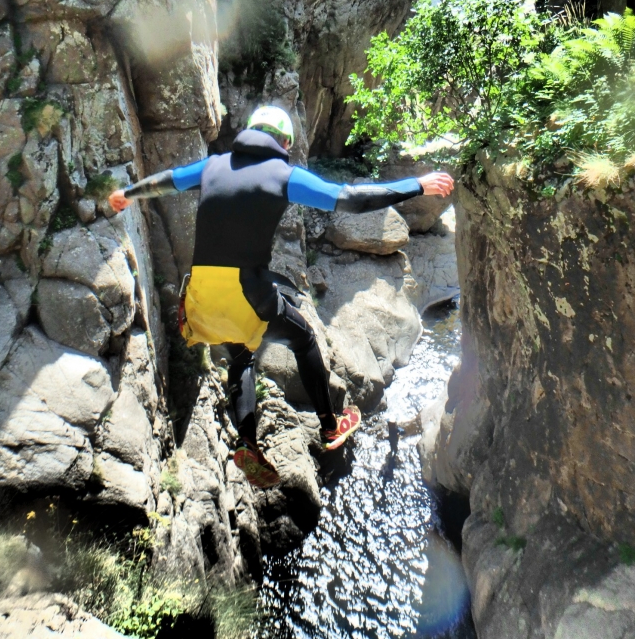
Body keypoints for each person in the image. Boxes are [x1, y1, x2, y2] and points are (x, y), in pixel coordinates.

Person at [108, 106, 454, 488]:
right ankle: (330, 425)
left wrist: (128, 193)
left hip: (200, 298)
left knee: (241, 354)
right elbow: (348, 197)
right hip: (247, 293)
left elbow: (168, 181)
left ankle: (248, 444)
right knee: (303, 339)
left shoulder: (212, 166)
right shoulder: (283, 174)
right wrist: (416, 185)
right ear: (285, 143)